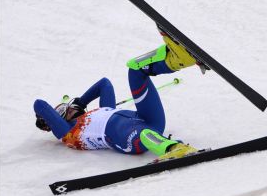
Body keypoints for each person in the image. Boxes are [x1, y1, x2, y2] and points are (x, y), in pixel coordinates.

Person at [34, 28, 202, 161]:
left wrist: (81, 102)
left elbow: (104, 84)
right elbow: (39, 104)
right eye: (61, 112)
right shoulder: (68, 134)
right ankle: (172, 148)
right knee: (144, 133)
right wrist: (45, 119)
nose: (68, 109)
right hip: (129, 140)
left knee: (134, 69)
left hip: (150, 120)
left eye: (66, 107)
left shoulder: (103, 110)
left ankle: (178, 58)